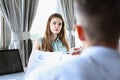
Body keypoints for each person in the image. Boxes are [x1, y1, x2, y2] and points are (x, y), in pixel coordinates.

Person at [24, 0, 120, 80]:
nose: (57, 26)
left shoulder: (44, 75)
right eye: (54, 23)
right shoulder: (40, 41)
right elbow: (32, 62)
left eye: (59, 24)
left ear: (80, 32)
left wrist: (71, 55)